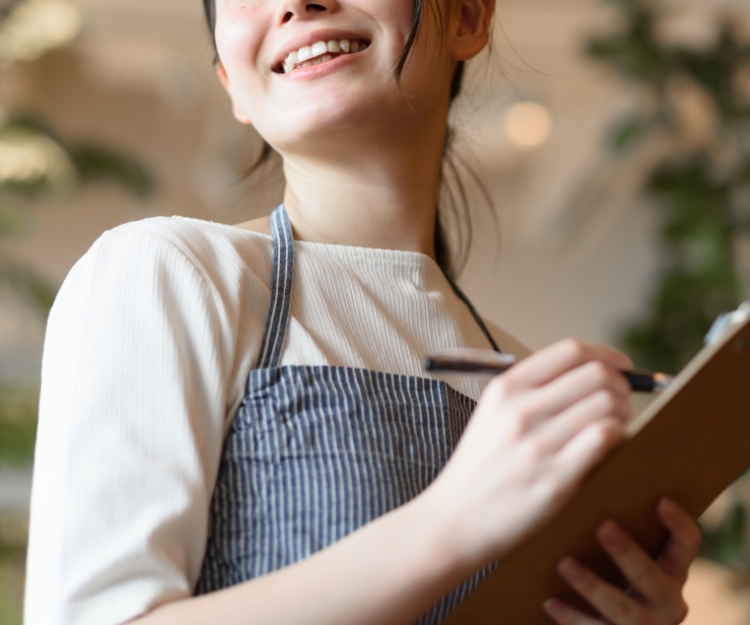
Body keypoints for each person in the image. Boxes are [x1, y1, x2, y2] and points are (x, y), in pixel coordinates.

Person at [24, 0, 702, 623]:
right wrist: (451, 521)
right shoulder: (172, 274)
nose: (296, 3)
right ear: (231, 79)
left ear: (466, 16)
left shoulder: (527, 381)